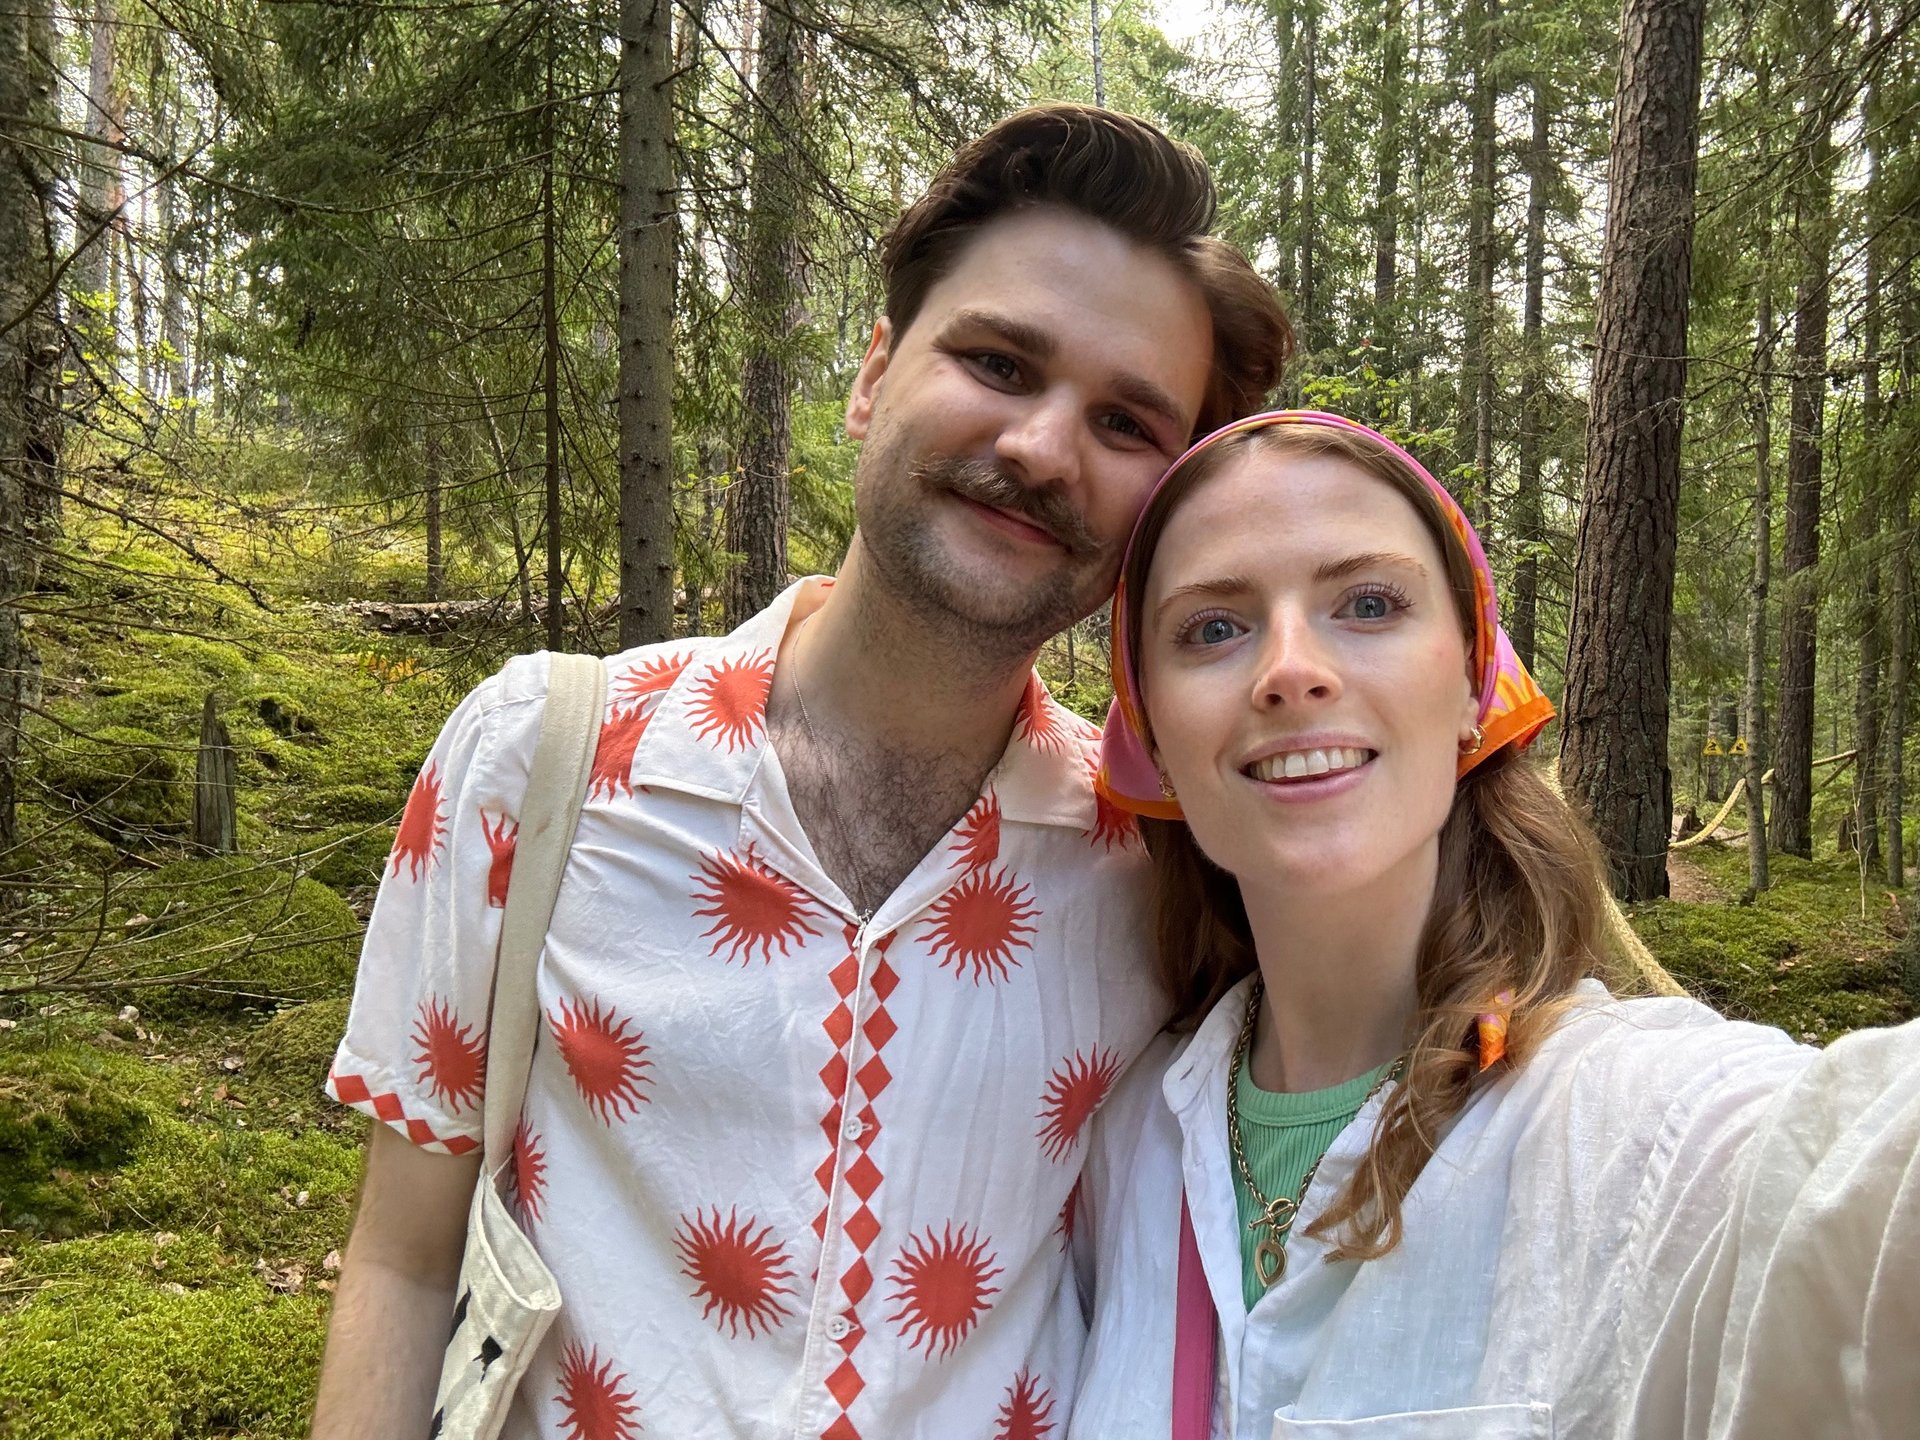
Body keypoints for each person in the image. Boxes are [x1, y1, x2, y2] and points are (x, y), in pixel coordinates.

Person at [309, 105, 1293, 1439]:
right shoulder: (543, 759)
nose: (1045, 449)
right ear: (874, 372)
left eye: (1126, 423)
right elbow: (403, 1257)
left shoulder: (1160, 865)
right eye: (1000, 362)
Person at [1068, 410, 1920, 1439]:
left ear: (1473, 682)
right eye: (1213, 627)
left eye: (1369, 604)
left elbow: (1855, 1196)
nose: (1290, 669)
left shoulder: (1639, 1131)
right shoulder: (1122, 1147)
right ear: (1152, 728)